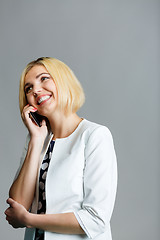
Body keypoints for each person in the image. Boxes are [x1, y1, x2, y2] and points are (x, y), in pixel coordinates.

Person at [5, 57, 118, 240]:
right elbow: (18, 205)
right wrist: (36, 139)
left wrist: (29, 219)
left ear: (62, 80)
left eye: (43, 78)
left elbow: (95, 219)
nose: (36, 90)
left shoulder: (94, 135)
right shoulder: (36, 139)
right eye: (28, 88)